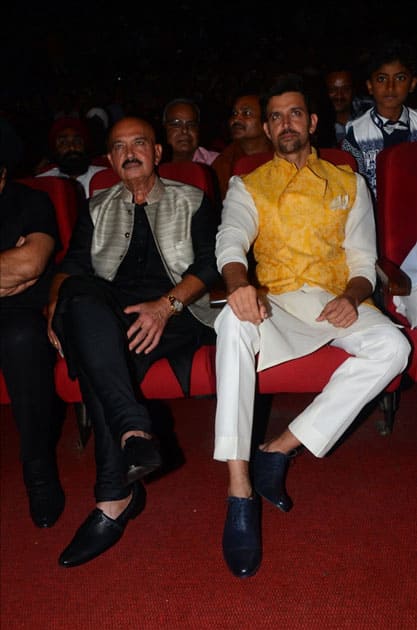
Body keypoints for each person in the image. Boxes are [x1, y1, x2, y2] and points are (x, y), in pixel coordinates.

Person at [213, 73, 411, 579]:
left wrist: (351, 296)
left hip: (333, 300)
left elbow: (365, 263)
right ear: (267, 125)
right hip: (276, 303)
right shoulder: (247, 183)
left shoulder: (348, 183)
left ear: (313, 121)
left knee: (392, 347)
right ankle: (240, 490)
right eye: (275, 116)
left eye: (294, 113)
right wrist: (239, 284)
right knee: (230, 322)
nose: (285, 124)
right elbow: (230, 243)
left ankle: (279, 449)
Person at [47, 116, 220, 568]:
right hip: (112, 313)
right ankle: (132, 434)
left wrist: (164, 307)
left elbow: (210, 266)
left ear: (157, 152)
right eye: (119, 147)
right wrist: (53, 305)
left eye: (139, 143)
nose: (130, 153)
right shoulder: (95, 206)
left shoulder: (194, 199)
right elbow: (72, 267)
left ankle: (114, 497)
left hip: (179, 313)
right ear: (108, 160)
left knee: (101, 353)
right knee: (81, 302)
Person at [0, 160, 65, 528]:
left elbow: (30, 264)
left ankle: (38, 467)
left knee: (23, 338)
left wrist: (18, 265)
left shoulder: (32, 201)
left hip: (19, 314)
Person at [342, 39, 417, 201]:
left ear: (412, 84)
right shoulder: (356, 134)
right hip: (375, 220)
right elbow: (353, 191)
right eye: (382, 79)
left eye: (400, 78)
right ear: (370, 86)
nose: (390, 87)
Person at [211, 93, 273, 199]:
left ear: (265, 122)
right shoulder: (223, 163)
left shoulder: (284, 156)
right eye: (234, 114)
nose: (236, 120)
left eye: (246, 113)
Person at [37, 117, 107, 198]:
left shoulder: (105, 177)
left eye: (77, 141)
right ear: (55, 150)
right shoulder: (43, 182)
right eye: (63, 143)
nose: (72, 147)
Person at [161, 98, 219, 165]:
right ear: (164, 128)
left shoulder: (217, 162)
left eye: (191, 125)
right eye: (176, 124)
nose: (185, 130)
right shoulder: (151, 165)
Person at [325, 68, 373, 144]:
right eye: (332, 90)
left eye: (345, 89)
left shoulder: (370, 108)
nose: (339, 96)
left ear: (353, 90)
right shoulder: (315, 120)